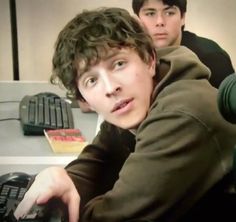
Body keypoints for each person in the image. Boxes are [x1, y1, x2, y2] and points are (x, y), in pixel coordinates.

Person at [14, 7, 236, 222]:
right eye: (92, 80)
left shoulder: (183, 113)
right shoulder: (138, 98)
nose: (110, 88)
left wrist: (58, 208)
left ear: (149, 60)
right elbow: (98, 159)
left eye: (119, 64)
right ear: (83, 100)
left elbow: (114, 216)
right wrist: (62, 179)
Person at [132, 0, 235, 88]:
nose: (160, 21)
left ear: (182, 18)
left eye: (169, 13)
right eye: (150, 14)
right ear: (137, 20)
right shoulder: (133, 59)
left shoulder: (212, 58)